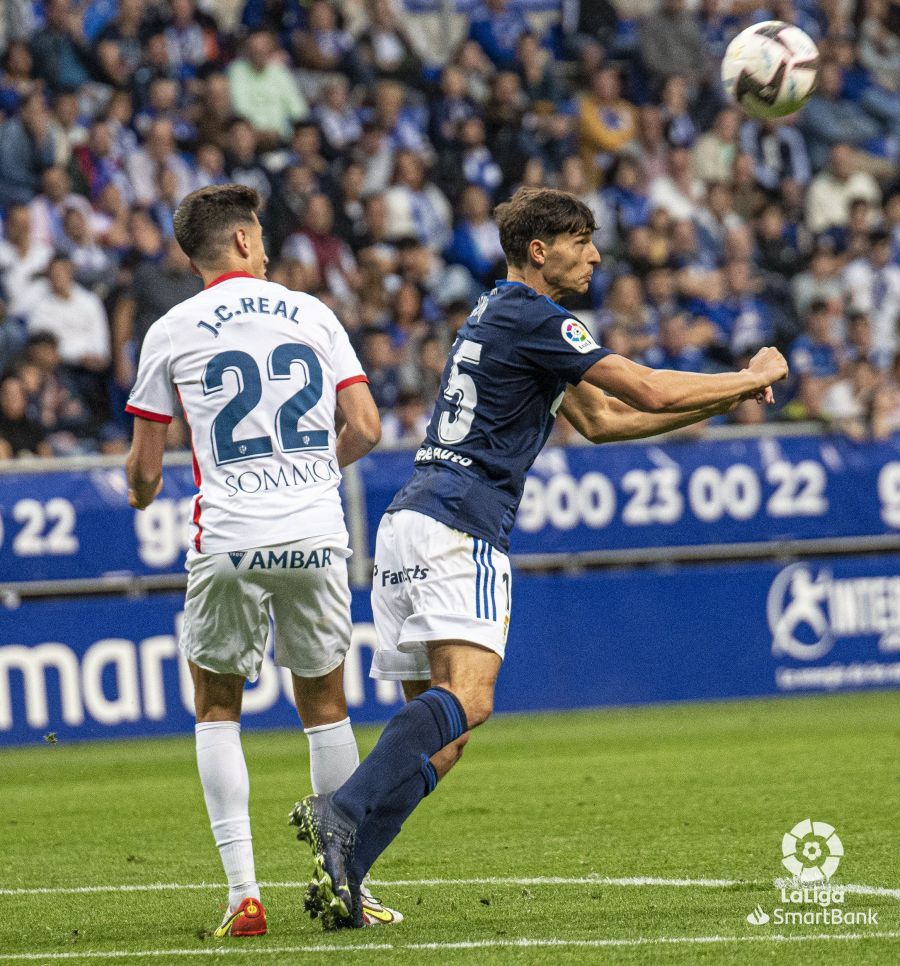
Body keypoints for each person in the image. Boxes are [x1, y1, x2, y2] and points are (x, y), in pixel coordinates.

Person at [290, 187, 789, 928]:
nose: (594, 254)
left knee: (444, 738)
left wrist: (728, 401)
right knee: (474, 699)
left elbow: (607, 422)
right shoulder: (539, 317)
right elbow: (647, 388)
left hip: (409, 524)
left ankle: (345, 879)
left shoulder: (501, 316)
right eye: (581, 241)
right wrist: (751, 374)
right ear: (539, 250)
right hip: (462, 523)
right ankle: (342, 810)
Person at [123, 184, 394, 937]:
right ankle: (350, 885)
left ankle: (244, 895)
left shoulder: (170, 329)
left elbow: (146, 473)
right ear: (243, 241)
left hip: (230, 537)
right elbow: (366, 426)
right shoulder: (313, 313)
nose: (268, 247)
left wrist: (142, 490)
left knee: (217, 710)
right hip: (314, 531)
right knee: (325, 709)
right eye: (262, 236)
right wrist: (316, 473)